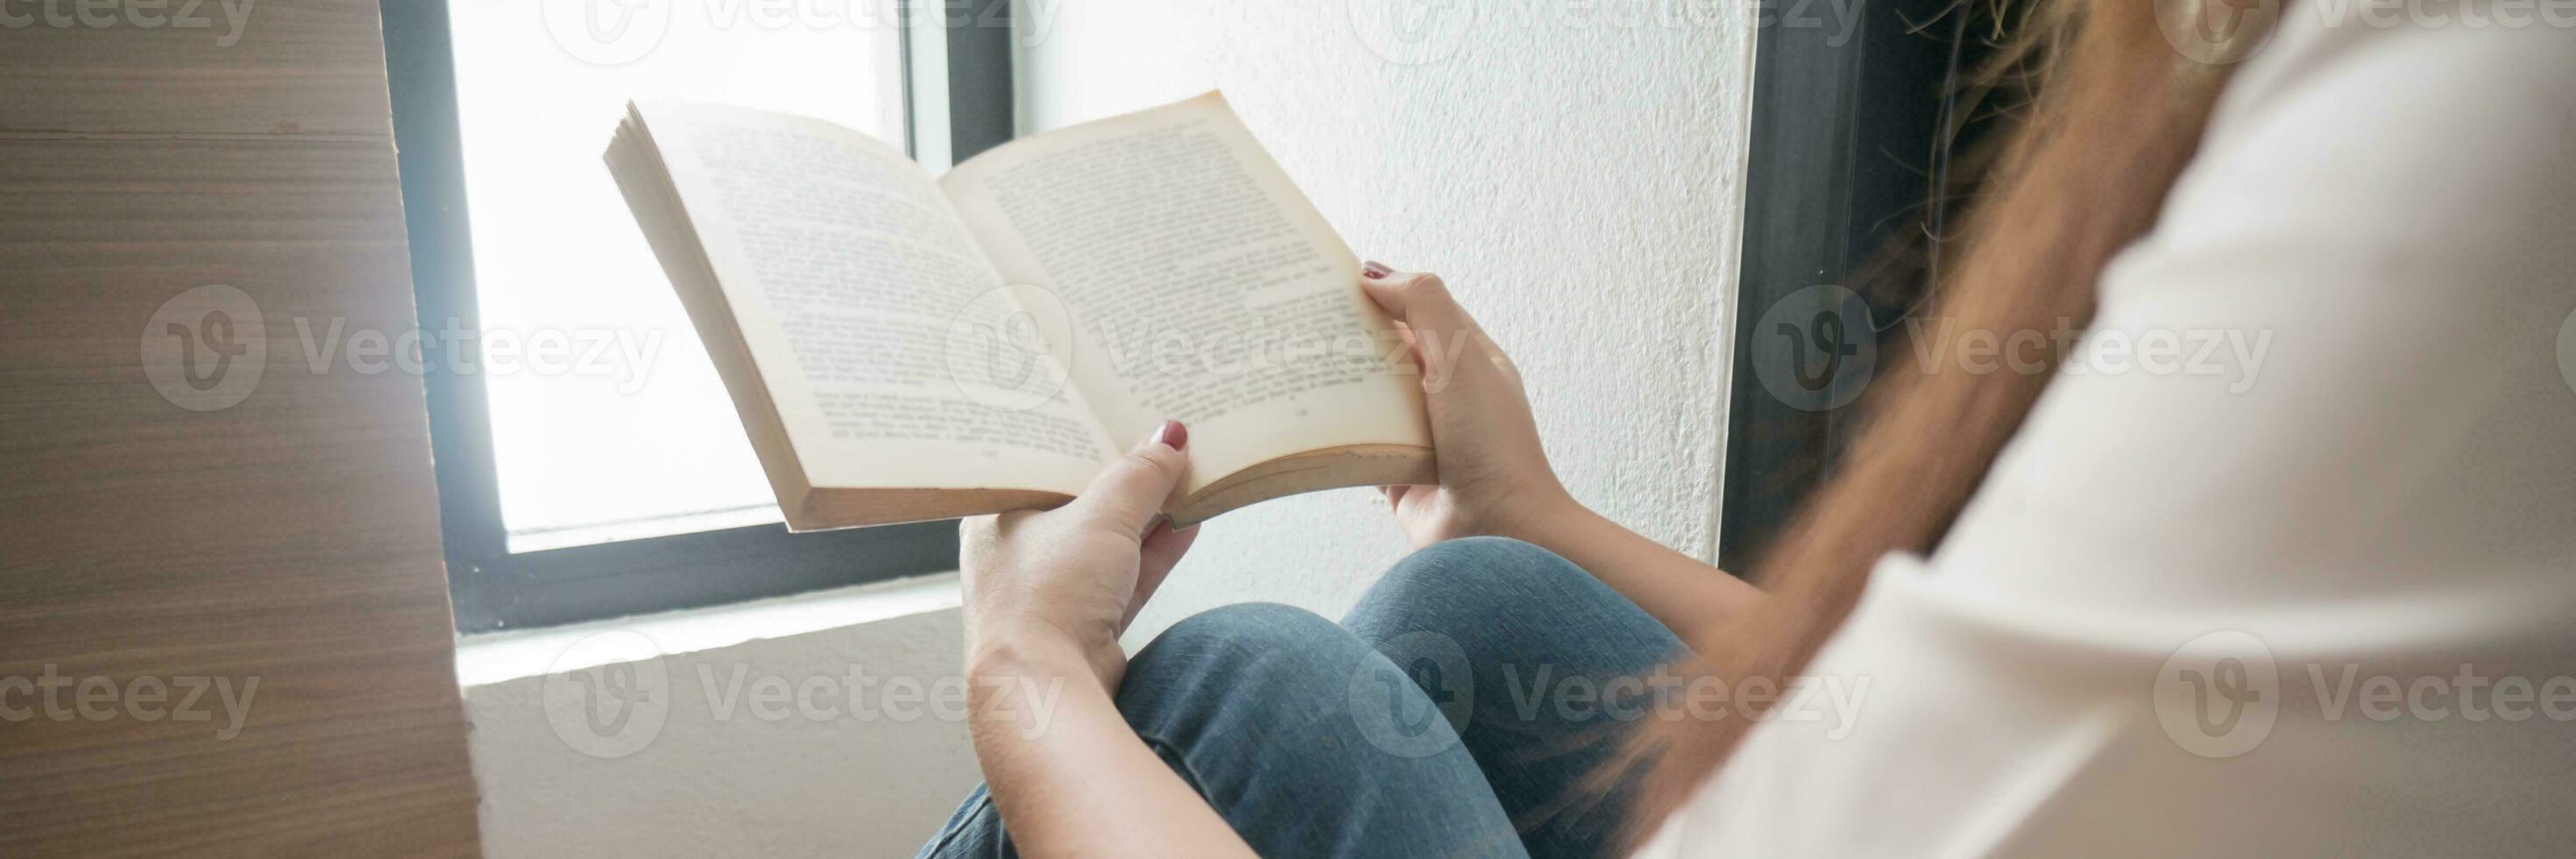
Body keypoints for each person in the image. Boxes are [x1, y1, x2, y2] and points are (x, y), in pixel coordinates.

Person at [919, 2, 2576, 855]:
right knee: (1470, 601)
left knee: (1236, 686)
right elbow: (1915, 698)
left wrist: (1028, 680)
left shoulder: (2477, 113)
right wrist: (1540, 509)